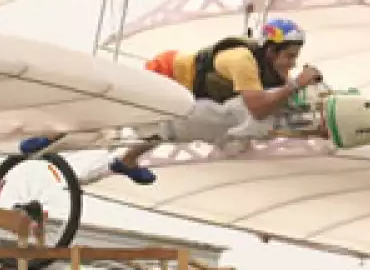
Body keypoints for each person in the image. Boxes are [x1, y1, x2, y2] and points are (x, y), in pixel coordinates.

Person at [18, 17, 323, 185]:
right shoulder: (243, 61)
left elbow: (283, 100)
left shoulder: (272, 71)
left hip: (188, 95)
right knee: (123, 115)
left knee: (170, 128)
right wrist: (295, 84)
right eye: (288, 57)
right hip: (166, 75)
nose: (291, 65)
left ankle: (127, 160)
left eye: (295, 59)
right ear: (270, 51)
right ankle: (53, 132)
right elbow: (258, 107)